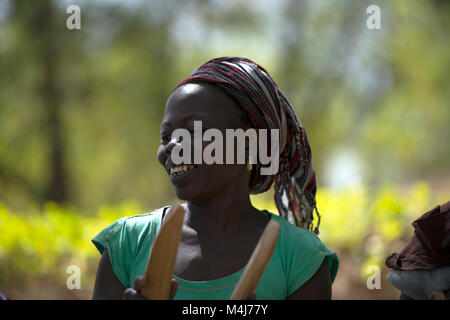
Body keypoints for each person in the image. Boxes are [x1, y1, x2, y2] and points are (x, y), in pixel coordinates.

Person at [92, 57, 339, 300]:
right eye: (166, 136)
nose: (171, 147)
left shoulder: (299, 258)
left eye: (193, 131)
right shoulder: (127, 245)